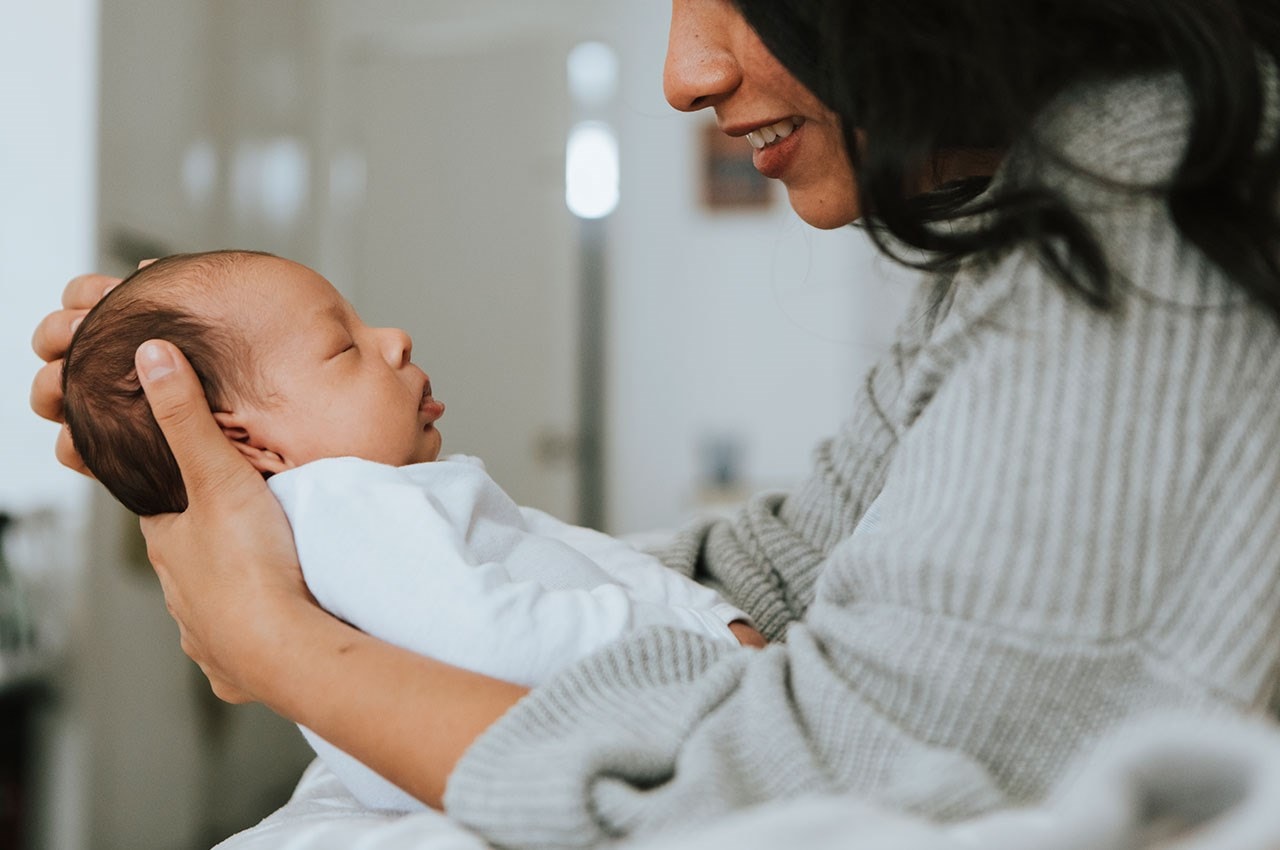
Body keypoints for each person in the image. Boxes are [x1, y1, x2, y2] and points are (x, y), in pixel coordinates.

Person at [29, 0, 1280, 848]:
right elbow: (792, 571)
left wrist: (276, 637)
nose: (684, 72)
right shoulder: (1043, 207)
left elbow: (814, 782)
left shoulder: (1152, 199)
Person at [59, 249, 762, 810]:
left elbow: (557, 550)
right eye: (344, 348)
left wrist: (703, 610)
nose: (395, 340)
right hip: (523, 750)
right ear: (251, 444)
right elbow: (492, 640)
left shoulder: (376, 497)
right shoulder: (340, 503)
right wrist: (702, 640)